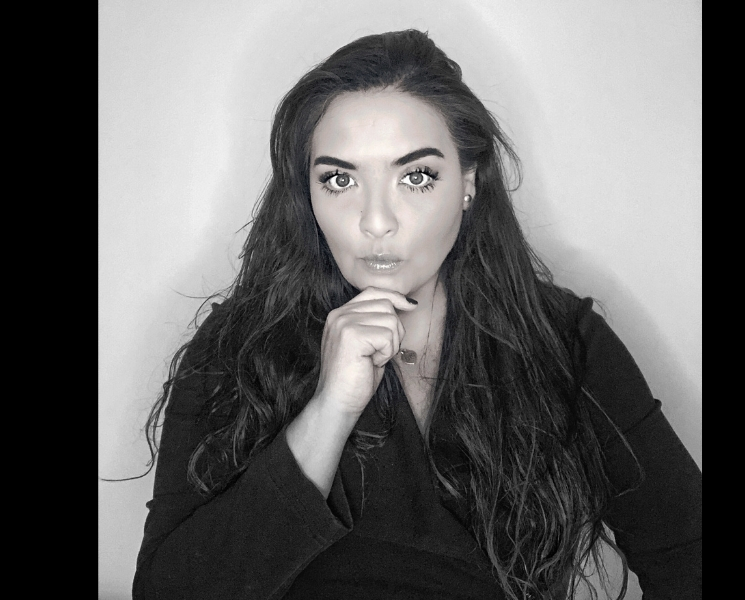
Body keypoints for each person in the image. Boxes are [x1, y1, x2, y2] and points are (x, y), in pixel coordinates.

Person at [133, 29, 701, 600]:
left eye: (416, 176)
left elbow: (687, 555)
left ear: (468, 183)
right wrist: (330, 410)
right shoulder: (239, 344)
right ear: (308, 195)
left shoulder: (562, 341)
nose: (376, 221)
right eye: (340, 179)